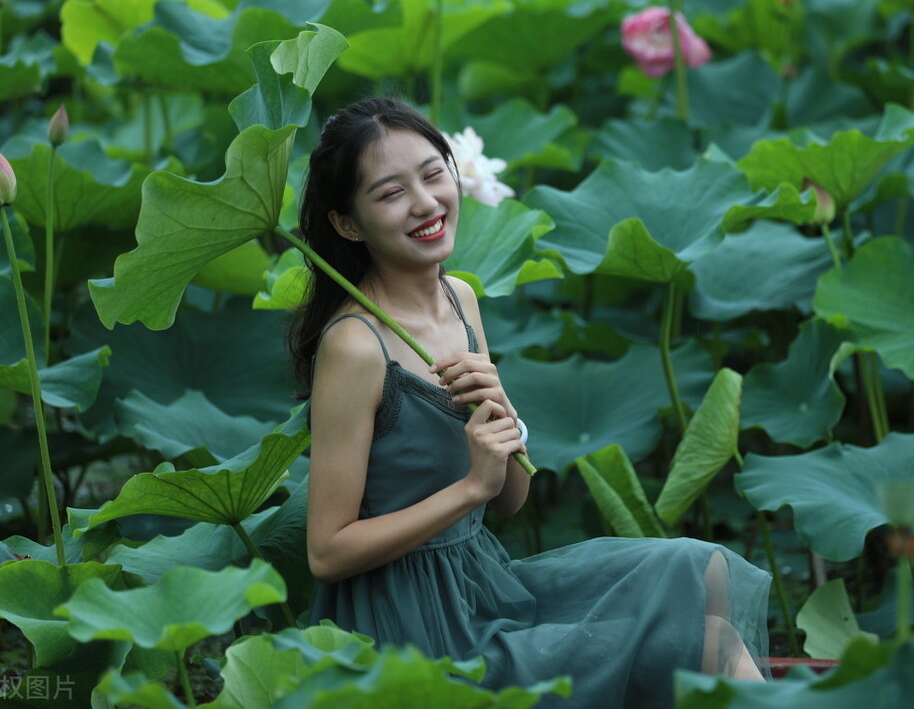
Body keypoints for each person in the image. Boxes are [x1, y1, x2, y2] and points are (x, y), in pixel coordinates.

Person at [289, 97, 772, 707]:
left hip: (484, 586)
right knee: (696, 640)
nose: (426, 204)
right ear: (347, 223)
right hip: (409, 628)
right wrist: (467, 489)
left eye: (434, 174)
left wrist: (501, 420)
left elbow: (511, 499)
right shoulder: (356, 347)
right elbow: (327, 553)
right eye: (390, 193)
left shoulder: (458, 298)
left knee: (698, 570)